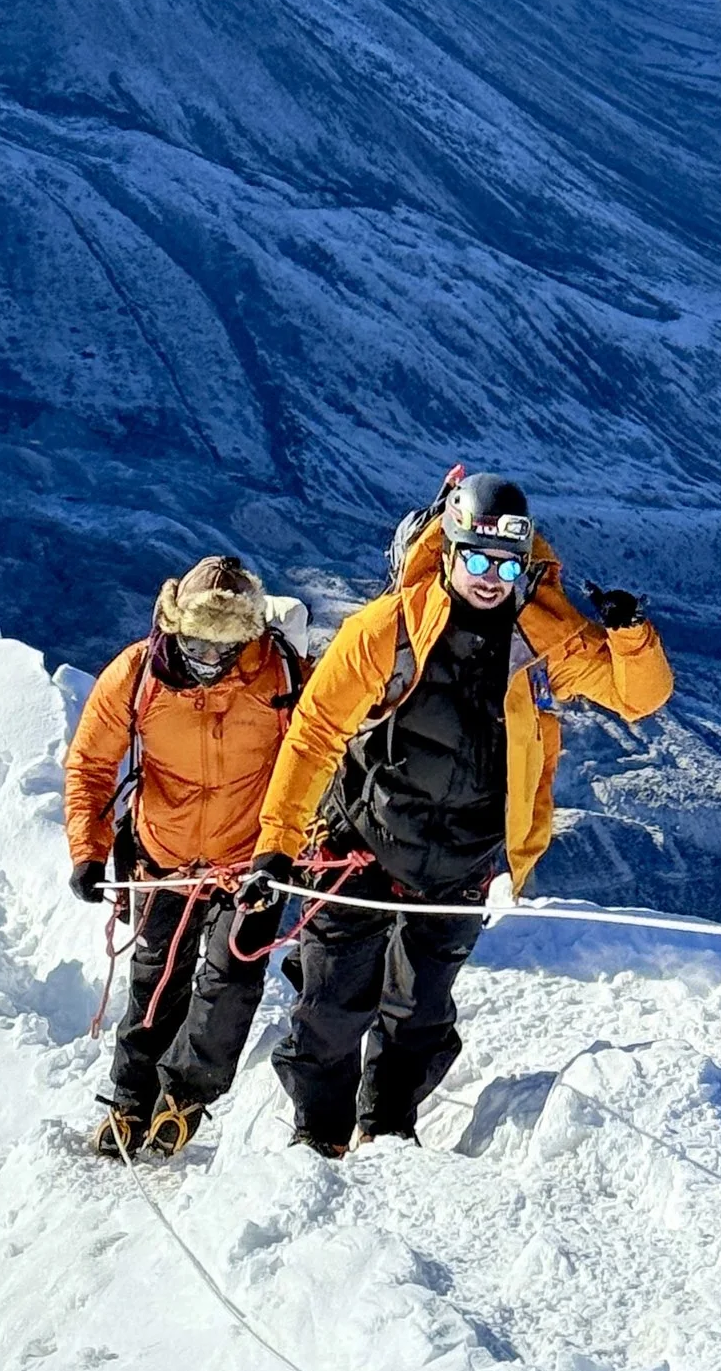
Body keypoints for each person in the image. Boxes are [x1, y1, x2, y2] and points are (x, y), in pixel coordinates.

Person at [243, 473, 671, 1157]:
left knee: (420, 1011)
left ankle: (386, 1125)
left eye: (505, 565)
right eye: (475, 558)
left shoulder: (542, 637)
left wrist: (628, 634)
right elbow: (316, 732)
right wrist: (278, 842)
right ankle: (318, 1132)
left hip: (463, 854)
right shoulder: (388, 627)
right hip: (364, 838)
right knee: (331, 1006)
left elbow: (637, 697)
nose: (489, 578)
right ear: (447, 550)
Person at [64, 552, 305, 1159]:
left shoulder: (279, 677)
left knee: (232, 974)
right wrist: (88, 851)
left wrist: (284, 851)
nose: (207, 661)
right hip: (160, 856)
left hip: (251, 860)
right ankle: (129, 1097)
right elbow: (91, 764)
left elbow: (316, 759)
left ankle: (184, 1097)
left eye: (221, 648)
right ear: (174, 626)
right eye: (196, 644)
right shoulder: (137, 673)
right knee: (156, 976)